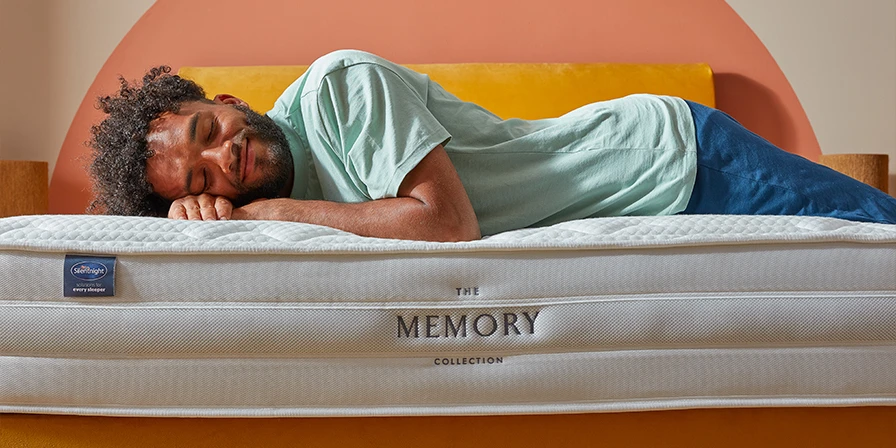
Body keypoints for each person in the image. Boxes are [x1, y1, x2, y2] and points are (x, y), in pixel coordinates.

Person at [88, 49, 896, 242]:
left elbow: (444, 223)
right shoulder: (249, 216)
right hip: (653, 184)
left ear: (224, 104)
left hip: (668, 156)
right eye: (200, 176)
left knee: (880, 240)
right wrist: (205, 227)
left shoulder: (341, 85)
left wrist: (263, 212)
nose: (223, 157)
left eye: (209, 131)